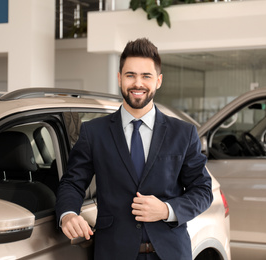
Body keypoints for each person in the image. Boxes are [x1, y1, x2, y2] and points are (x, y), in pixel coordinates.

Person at [56, 38, 213, 260]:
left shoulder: (183, 133)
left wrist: (167, 210)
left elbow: (203, 190)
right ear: (120, 79)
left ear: (158, 81)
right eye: (130, 75)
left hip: (170, 253)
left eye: (146, 76)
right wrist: (68, 214)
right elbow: (72, 182)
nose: (137, 83)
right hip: (114, 253)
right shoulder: (94, 132)